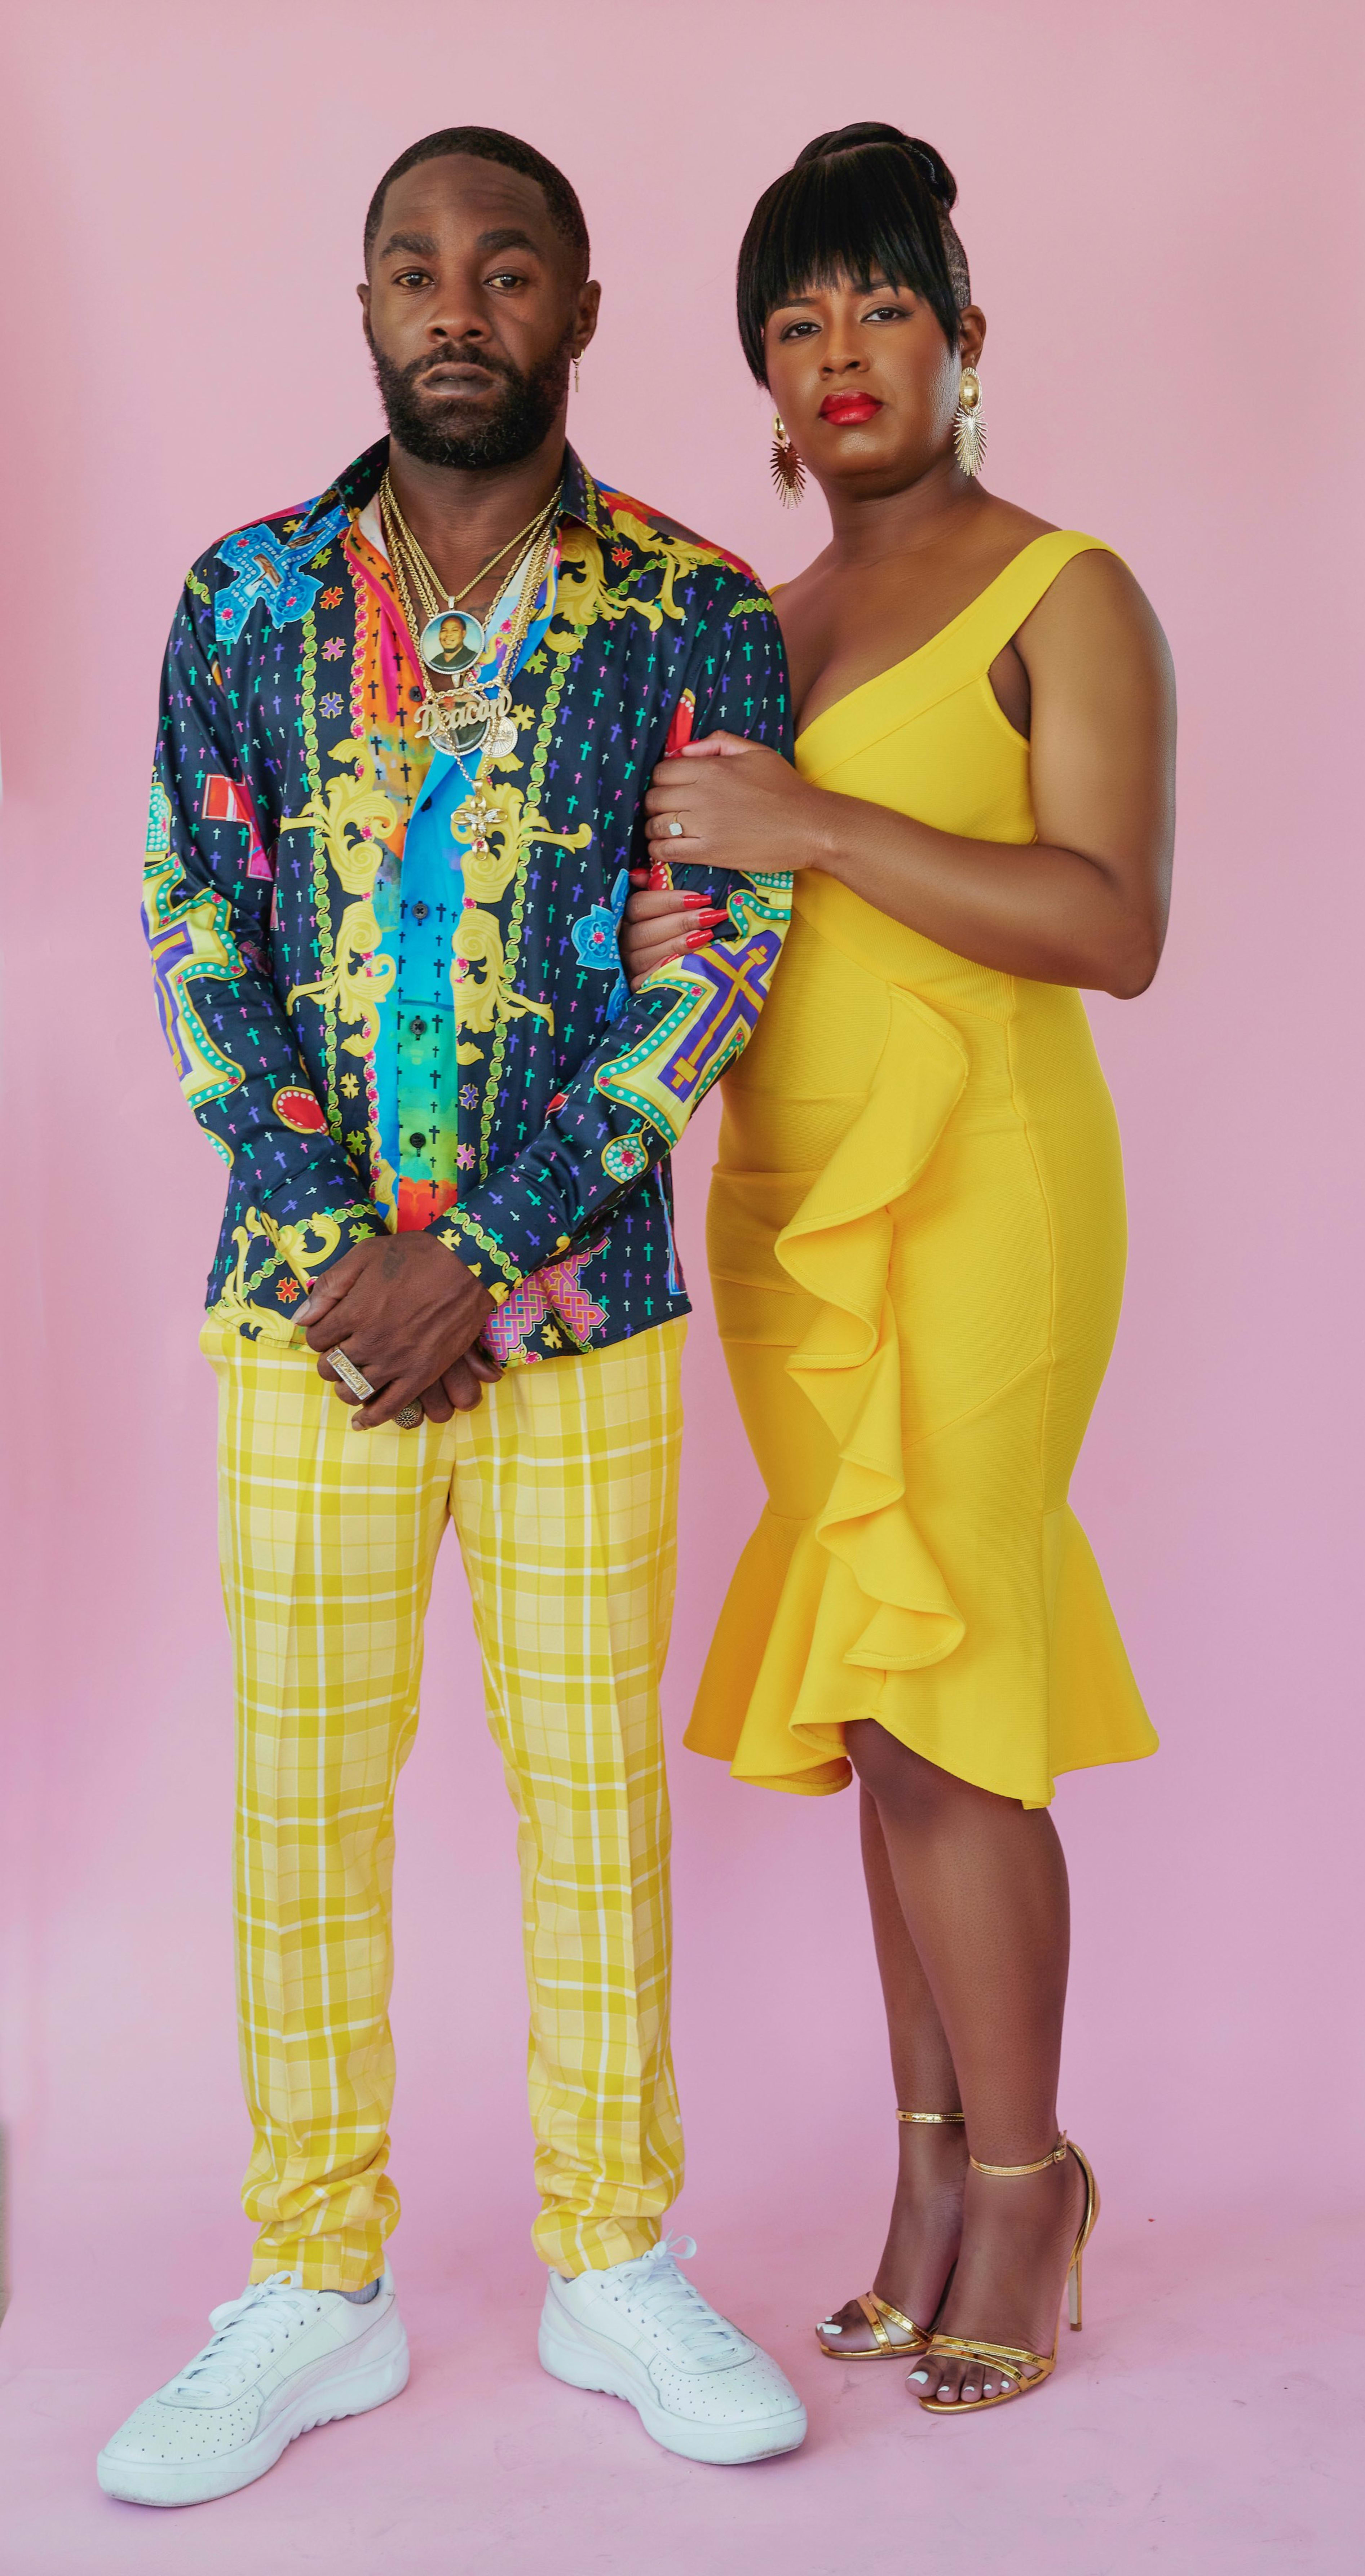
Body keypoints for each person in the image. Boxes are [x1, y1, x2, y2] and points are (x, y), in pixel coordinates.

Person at [101, 125, 805, 2507]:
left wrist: (481, 1254)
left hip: (579, 1319)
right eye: (416, 267)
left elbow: (718, 972)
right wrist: (338, 1253)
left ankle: (614, 2258)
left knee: (590, 1802)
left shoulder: (693, 610)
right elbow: (199, 934)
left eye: (509, 268)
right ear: (368, 305)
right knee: (304, 1805)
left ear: (582, 309)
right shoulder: (242, 597)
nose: (459, 306)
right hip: (305, 1320)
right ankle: (319, 2285)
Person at [620, 121, 1174, 2417]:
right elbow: (747, 924)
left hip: (987, 1198)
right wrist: (687, 925)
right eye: (796, 322)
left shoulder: (1072, 589)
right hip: (789, 1205)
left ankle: (1029, 2184)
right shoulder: (759, 617)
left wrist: (818, 822)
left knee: (955, 1685)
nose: (842, 355)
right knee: (876, 1696)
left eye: (881, 309)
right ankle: (935, 2173)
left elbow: (1113, 926)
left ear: (964, 340)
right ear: (764, 379)